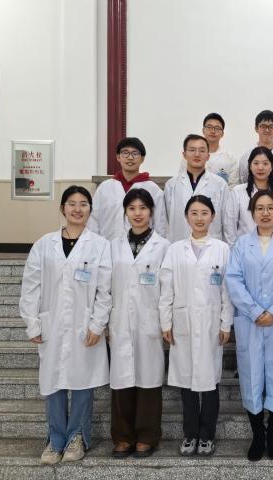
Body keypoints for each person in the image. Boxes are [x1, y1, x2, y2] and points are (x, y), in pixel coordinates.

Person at [19, 185, 112, 465]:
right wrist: (32, 322)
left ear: (90, 210)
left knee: (83, 382)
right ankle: (55, 439)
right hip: (53, 322)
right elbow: (31, 286)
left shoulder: (100, 245)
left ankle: (77, 438)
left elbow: (105, 290)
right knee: (53, 382)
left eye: (83, 204)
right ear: (62, 208)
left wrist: (97, 324)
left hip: (85, 325)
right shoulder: (44, 245)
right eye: (71, 203)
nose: (77, 209)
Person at [225, 190, 273, 461]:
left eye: (270, 208)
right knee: (251, 377)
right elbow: (233, 279)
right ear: (252, 212)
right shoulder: (241, 245)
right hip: (250, 322)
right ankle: (258, 434)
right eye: (260, 208)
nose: (265, 213)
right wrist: (256, 311)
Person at [159, 195, 234, 457]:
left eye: (204, 213)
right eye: (194, 213)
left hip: (212, 323)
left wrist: (226, 323)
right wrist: (166, 322)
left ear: (212, 216)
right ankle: (190, 434)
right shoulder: (175, 250)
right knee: (186, 383)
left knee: (210, 382)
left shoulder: (222, 249)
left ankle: (207, 436)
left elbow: (227, 291)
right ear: (186, 217)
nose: (199, 218)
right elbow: (166, 289)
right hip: (183, 322)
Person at [108, 188, 170, 458]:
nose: (137, 213)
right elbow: (106, 286)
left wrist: (165, 322)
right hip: (120, 319)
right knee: (121, 378)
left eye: (143, 208)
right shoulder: (113, 246)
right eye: (132, 208)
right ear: (125, 212)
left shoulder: (163, 246)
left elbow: (167, 289)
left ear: (151, 212)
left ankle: (147, 436)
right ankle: (122, 437)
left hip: (150, 320)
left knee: (149, 379)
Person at [88, 137, 167, 240]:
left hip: (143, 247)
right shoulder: (105, 187)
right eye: (125, 153)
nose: (130, 157)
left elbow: (160, 225)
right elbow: (93, 221)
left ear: (142, 158)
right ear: (118, 157)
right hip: (107, 245)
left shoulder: (153, 189)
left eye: (135, 153)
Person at [164, 134, 228, 242]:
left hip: (211, 244)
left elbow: (226, 221)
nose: (197, 154)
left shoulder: (220, 184)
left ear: (208, 156)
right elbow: (167, 219)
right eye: (192, 150)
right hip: (179, 242)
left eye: (202, 151)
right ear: (184, 154)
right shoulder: (171, 185)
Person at [224, 146, 273, 248]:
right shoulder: (238, 192)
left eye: (265, 163)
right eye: (256, 163)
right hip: (244, 250)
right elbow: (230, 226)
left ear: (272, 166)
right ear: (250, 166)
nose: (260, 167)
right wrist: (234, 250)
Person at [237, 110, 273, 195]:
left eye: (271, 127)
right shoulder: (245, 157)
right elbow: (243, 184)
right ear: (256, 128)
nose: (267, 130)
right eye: (263, 126)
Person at [178, 113, 239, 188]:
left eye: (217, 128)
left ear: (222, 134)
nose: (213, 131)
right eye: (209, 127)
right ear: (203, 130)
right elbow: (181, 182)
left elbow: (232, 187)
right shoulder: (190, 156)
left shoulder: (230, 159)